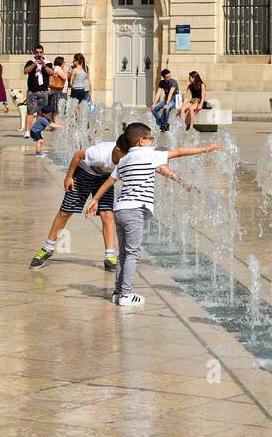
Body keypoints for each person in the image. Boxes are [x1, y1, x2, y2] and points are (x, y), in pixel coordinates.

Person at [85, 122, 222, 308]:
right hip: (135, 210)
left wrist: (95, 200)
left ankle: (118, 292)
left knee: (124, 254)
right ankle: (126, 294)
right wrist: (205, 149)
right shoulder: (150, 155)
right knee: (133, 253)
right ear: (142, 140)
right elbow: (179, 152)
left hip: (120, 210)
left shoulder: (124, 160)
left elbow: (109, 181)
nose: (152, 142)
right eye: (151, 139)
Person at [30, 136, 122, 271]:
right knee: (65, 212)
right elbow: (78, 155)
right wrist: (69, 177)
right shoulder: (100, 154)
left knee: (107, 214)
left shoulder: (131, 154)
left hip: (105, 179)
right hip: (84, 174)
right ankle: (48, 248)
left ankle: (109, 256)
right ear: (118, 150)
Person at [24, 44, 53, 134]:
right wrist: (34, 64)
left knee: (41, 113)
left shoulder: (47, 62)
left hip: (43, 91)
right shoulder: (30, 62)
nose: (39, 54)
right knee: (30, 111)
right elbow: (25, 71)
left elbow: (51, 72)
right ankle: (27, 131)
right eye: (37, 52)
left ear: (43, 53)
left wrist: (44, 66)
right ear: (34, 53)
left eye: (40, 52)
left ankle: (37, 131)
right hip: (32, 91)